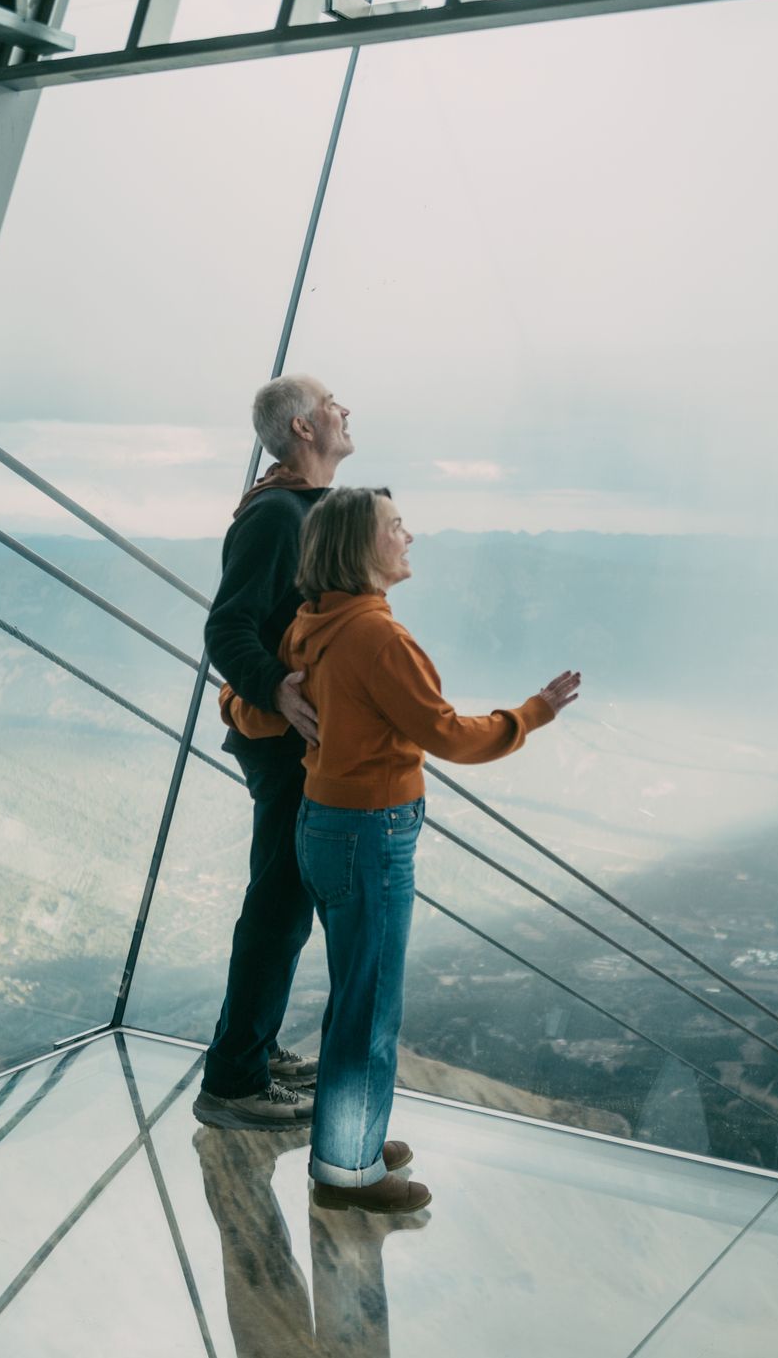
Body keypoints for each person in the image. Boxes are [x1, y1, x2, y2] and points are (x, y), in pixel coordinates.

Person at [222, 487, 580, 1212]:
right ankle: (348, 1172)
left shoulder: (314, 624)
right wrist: (534, 713)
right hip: (369, 833)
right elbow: (449, 734)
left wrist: (238, 705)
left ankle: (347, 1136)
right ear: (364, 546)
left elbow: (254, 701)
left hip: (321, 823)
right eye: (395, 527)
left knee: (352, 996)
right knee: (370, 1006)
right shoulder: (378, 638)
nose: (408, 535)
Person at [193, 375, 354, 1130]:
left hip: (298, 740)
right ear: (301, 427)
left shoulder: (303, 510)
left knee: (281, 903)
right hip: (286, 741)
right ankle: (234, 1080)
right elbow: (227, 626)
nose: (345, 410)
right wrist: (278, 693)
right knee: (280, 908)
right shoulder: (278, 516)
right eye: (332, 403)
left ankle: (249, 1050)